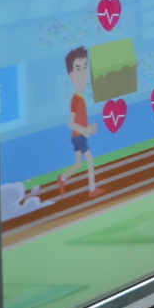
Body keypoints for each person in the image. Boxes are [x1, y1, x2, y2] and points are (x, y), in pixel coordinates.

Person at [58, 47, 98, 196]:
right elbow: (70, 123)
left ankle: (62, 178)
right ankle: (92, 189)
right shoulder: (76, 99)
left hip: (77, 137)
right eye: (78, 69)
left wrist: (88, 128)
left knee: (78, 163)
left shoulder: (80, 98)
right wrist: (85, 130)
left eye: (85, 67)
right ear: (71, 75)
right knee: (90, 161)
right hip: (78, 137)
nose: (83, 73)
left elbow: (79, 121)